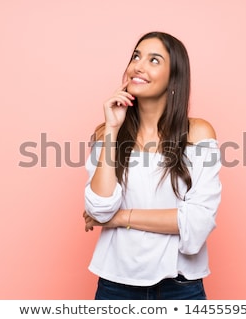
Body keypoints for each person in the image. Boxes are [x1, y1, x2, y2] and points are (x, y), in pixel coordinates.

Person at [82, 31, 222, 300]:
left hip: (180, 286)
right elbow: (99, 209)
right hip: (115, 284)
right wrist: (112, 128)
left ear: (174, 78)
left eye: (154, 60)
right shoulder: (106, 133)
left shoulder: (199, 133)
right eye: (136, 56)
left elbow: (198, 220)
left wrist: (120, 218)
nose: (139, 65)